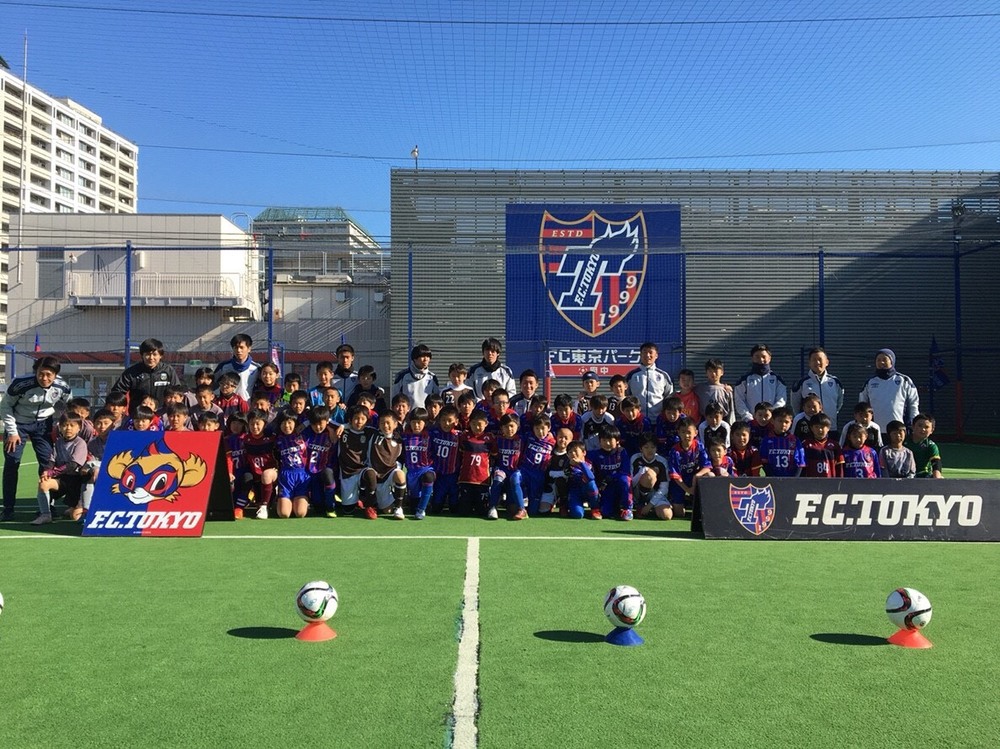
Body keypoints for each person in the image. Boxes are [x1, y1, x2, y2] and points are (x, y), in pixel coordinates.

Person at [0, 356, 72, 521]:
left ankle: (47, 507)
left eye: (49, 375)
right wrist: (12, 431)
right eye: (41, 374)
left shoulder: (62, 386)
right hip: (18, 424)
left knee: (48, 464)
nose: (44, 378)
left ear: (55, 375)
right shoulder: (20, 384)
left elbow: (71, 407)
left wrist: (62, 426)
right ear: (35, 372)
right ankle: (8, 509)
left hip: (44, 426)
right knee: (12, 464)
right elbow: (5, 406)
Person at [33, 413, 89, 525]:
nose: (68, 428)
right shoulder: (58, 442)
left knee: (75, 517)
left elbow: (73, 465)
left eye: (72, 425)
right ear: (60, 427)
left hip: (76, 482)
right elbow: (51, 460)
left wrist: (53, 472)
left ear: (79, 427)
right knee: (43, 483)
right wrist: (46, 471)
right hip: (62, 479)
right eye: (65, 425)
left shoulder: (80, 443)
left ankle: (75, 507)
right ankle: (45, 514)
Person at [108, 337, 182, 411]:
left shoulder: (168, 371)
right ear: (142, 355)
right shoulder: (132, 372)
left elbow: (177, 392)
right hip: (138, 415)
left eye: (155, 354)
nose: (151, 358)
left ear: (160, 356)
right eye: (147, 354)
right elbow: (117, 392)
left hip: (162, 414)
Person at [859, 348, 919, 435]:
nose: (881, 362)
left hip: (899, 431)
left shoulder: (904, 380)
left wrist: (913, 423)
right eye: (878, 360)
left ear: (892, 361)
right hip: (875, 431)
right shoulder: (870, 382)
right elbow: (862, 405)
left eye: (884, 359)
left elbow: (913, 403)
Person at [360, 412, 407, 520]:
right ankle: (371, 502)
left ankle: (399, 507)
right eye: (382, 423)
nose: (385, 426)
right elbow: (356, 426)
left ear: (395, 424)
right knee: (387, 510)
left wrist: (397, 466)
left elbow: (401, 458)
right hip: (374, 474)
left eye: (388, 423)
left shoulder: (399, 440)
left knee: (400, 475)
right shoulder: (372, 433)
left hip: (389, 474)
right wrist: (343, 426)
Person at [790, 347, 845, 434]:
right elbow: (795, 404)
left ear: (827, 362)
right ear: (809, 363)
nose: (817, 362)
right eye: (814, 360)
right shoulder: (802, 383)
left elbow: (839, 404)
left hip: (831, 428)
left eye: (820, 359)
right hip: (810, 429)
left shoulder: (835, 382)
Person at [337, 405, 378, 517]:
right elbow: (327, 422)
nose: (359, 421)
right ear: (350, 419)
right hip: (347, 473)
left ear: (367, 421)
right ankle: (358, 500)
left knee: (370, 474)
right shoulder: (343, 431)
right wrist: (343, 425)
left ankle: (369, 505)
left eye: (363, 419)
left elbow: (385, 429)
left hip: (362, 470)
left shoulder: (370, 432)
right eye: (356, 418)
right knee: (348, 510)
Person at [586, 425, 633, 520]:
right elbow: (589, 471)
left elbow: (625, 472)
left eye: (610, 440)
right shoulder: (594, 454)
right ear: (599, 441)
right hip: (605, 488)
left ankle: (627, 509)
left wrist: (611, 477)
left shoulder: (622, 453)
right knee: (606, 512)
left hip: (619, 485)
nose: (607, 443)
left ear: (617, 441)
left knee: (625, 479)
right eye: (604, 440)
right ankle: (614, 507)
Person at [667, 420, 711, 517]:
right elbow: (675, 475)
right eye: (683, 432)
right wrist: (687, 489)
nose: (686, 435)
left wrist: (697, 475)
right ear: (678, 433)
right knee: (679, 514)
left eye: (689, 432)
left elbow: (707, 466)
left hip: (694, 479)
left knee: (710, 475)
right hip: (680, 482)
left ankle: (706, 503)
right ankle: (684, 500)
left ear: (695, 433)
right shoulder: (674, 451)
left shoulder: (699, 446)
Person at [734, 344, 787, 422]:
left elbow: (781, 399)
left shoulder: (778, 379)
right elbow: (739, 400)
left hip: (771, 422)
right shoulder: (744, 380)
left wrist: (772, 415)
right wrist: (747, 417)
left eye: (764, 357)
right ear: (752, 358)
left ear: (769, 358)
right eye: (757, 357)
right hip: (751, 422)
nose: (761, 360)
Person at [302, 406, 339, 517]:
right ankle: (322, 500)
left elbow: (346, 426)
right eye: (314, 424)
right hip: (311, 471)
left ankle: (331, 506)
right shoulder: (306, 433)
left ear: (327, 421)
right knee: (318, 506)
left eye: (320, 424)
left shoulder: (332, 433)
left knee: (327, 473)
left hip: (327, 470)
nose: (318, 427)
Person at [488, 414, 527, 520]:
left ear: (518, 426)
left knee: (512, 509)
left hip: (516, 471)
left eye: (511, 426)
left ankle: (522, 509)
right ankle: (492, 507)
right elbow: (493, 455)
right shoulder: (498, 440)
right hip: (502, 469)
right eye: (506, 427)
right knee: (497, 479)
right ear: (501, 428)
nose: (509, 429)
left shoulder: (522, 440)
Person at [275, 412, 311, 519]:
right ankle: (283, 500)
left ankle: (300, 500)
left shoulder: (304, 435)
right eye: (283, 423)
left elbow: (314, 419)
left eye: (290, 422)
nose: (286, 426)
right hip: (286, 476)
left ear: (296, 423)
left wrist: (304, 424)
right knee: (284, 514)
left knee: (300, 513)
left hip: (302, 475)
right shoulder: (277, 439)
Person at [626, 342, 674, 420]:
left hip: (659, 420)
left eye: (650, 352)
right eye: (645, 352)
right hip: (637, 420)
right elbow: (626, 395)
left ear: (656, 355)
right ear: (640, 355)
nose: (647, 355)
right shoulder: (631, 375)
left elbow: (669, 396)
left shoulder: (663, 375)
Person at [402, 408, 435, 520]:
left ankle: (421, 509)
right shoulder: (404, 436)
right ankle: (419, 503)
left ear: (425, 423)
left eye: (419, 422)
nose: (416, 425)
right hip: (412, 472)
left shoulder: (430, 436)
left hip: (426, 469)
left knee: (429, 477)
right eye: (413, 422)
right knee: (412, 507)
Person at [520, 413, 555, 516]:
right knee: (517, 480)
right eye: (537, 428)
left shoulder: (553, 441)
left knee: (533, 511)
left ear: (549, 428)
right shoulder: (528, 436)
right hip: (526, 469)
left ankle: (550, 502)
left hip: (540, 473)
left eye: (543, 428)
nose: (540, 431)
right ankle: (521, 500)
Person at [631, 433, 672, 519]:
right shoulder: (635, 459)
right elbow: (631, 483)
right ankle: (639, 504)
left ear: (656, 448)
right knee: (649, 474)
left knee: (667, 515)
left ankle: (650, 508)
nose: (650, 450)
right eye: (646, 447)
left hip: (654, 494)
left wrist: (649, 505)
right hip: (637, 493)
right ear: (641, 448)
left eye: (653, 447)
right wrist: (643, 471)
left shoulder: (662, 462)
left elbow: (664, 488)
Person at [457, 411, 491, 516]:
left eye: (479, 424)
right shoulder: (464, 436)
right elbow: (460, 451)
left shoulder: (490, 438)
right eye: (474, 424)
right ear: (469, 424)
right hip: (466, 478)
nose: (476, 427)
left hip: (482, 479)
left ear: (486, 424)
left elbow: (494, 453)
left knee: (482, 511)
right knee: (463, 512)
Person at [428, 405, 461, 514]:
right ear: (439, 420)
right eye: (443, 420)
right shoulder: (433, 433)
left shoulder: (460, 436)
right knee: (436, 508)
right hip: (439, 474)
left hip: (453, 475)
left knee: (454, 508)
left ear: (456, 421)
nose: (446, 423)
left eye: (449, 420)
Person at [760, 406, 805, 478]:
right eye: (780, 421)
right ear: (772, 421)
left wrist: (794, 480)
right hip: (772, 479)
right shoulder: (767, 440)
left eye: (786, 422)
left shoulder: (795, 440)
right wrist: (772, 477)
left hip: (790, 479)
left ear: (791, 423)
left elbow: (800, 463)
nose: (783, 424)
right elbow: (764, 461)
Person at [214, 333, 261, 401]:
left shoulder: (256, 368)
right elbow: (213, 386)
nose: (238, 350)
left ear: (249, 349)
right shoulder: (223, 366)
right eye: (236, 347)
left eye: (241, 347)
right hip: (227, 406)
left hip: (248, 406)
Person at [392, 343, 440, 409]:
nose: (426, 359)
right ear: (414, 359)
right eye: (422, 356)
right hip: (407, 414)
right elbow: (395, 398)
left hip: (426, 414)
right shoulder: (402, 376)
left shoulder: (432, 377)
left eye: (428, 357)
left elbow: (437, 399)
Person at [564, 440, 601, 520]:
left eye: (575, 451)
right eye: (570, 452)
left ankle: (595, 509)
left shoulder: (590, 464)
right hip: (576, 492)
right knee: (578, 514)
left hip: (588, 491)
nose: (573, 453)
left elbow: (591, 477)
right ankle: (569, 506)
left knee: (591, 483)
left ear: (584, 453)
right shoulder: (567, 466)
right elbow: (570, 476)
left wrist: (581, 463)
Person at [800, 413, 844, 478]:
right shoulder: (806, 445)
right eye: (816, 427)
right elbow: (802, 467)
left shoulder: (835, 446)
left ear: (828, 428)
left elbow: (839, 467)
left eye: (822, 427)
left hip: (830, 482)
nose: (820, 430)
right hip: (811, 482)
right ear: (811, 428)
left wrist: (840, 482)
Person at [694, 359, 735, 424]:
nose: (713, 373)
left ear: (722, 372)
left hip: (722, 421)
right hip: (704, 421)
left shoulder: (726, 390)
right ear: (706, 372)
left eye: (716, 371)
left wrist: (731, 424)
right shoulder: (699, 388)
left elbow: (731, 410)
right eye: (710, 371)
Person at [905, 414, 943, 478]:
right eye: (920, 426)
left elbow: (936, 463)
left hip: (923, 475)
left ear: (932, 430)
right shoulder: (903, 441)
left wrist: (937, 479)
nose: (923, 429)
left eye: (926, 427)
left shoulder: (930, 445)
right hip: (904, 474)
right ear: (913, 426)